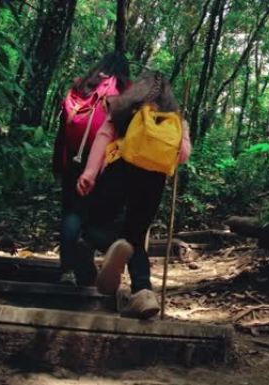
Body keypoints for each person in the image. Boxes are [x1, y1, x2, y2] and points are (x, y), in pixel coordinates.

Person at [77, 71, 192, 319]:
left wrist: (89, 172)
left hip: (119, 171)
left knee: (92, 226)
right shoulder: (175, 119)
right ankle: (143, 292)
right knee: (136, 238)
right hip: (154, 182)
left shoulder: (124, 109)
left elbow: (103, 136)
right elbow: (182, 155)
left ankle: (110, 248)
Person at [52, 52, 131, 286]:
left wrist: (59, 163)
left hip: (73, 159)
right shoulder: (125, 89)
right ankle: (86, 246)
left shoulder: (82, 85)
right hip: (105, 161)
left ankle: (68, 270)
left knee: (71, 212)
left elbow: (63, 129)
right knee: (100, 216)